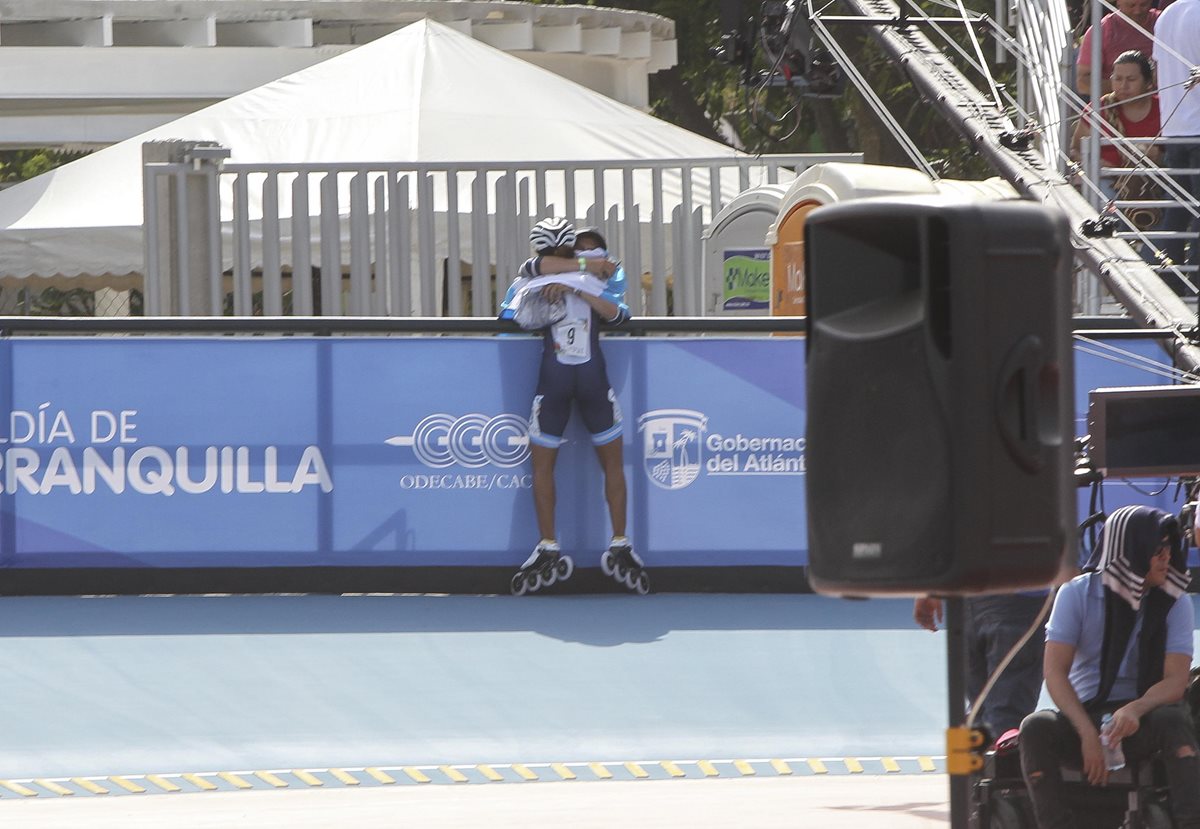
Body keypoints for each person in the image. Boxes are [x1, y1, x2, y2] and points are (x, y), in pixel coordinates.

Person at [1019, 505, 1200, 829]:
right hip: (1084, 715)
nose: (1166, 557)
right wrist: (1087, 733)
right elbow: (1054, 673)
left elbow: (1176, 681)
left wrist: (1135, 709)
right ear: (1130, 551)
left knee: (1174, 719)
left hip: (1141, 719)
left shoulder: (1175, 601)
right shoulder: (1076, 594)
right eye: (1157, 549)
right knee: (1034, 728)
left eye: (1169, 548)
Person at [499, 218, 648, 595]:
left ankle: (552, 543)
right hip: (591, 381)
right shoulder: (584, 273)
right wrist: (582, 280)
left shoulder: (544, 277)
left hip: (555, 383)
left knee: (543, 467)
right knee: (612, 464)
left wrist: (572, 289)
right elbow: (616, 312)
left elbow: (508, 316)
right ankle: (617, 540)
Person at [914, 594, 1048, 743]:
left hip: (970, 594)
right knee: (1004, 721)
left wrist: (931, 588)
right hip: (1018, 596)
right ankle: (999, 761)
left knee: (982, 716)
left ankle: (986, 759)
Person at [1152, 0, 1200, 287]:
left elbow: (1160, 67)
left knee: (1178, 209)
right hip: (1196, 128)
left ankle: (1168, 283)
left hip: (1174, 127)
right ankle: (1196, 282)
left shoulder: (1167, 14)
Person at [1076, 0, 1159, 96]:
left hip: (1160, 99)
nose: (1137, 11)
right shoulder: (1101, 31)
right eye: (1131, 5)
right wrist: (1127, 85)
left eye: (1143, 5)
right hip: (1116, 102)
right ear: (1118, 3)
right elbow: (1083, 83)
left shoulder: (1163, 22)